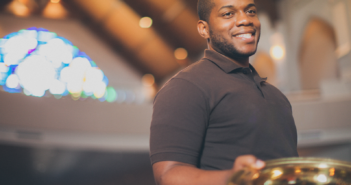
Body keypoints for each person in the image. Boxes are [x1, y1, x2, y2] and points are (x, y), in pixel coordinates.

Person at [149, 0, 299, 184]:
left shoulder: (277, 96)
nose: (245, 20)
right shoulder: (185, 87)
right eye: (228, 14)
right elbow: (167, 175)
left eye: (251, 11)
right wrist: (233, 178)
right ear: (204, 29)